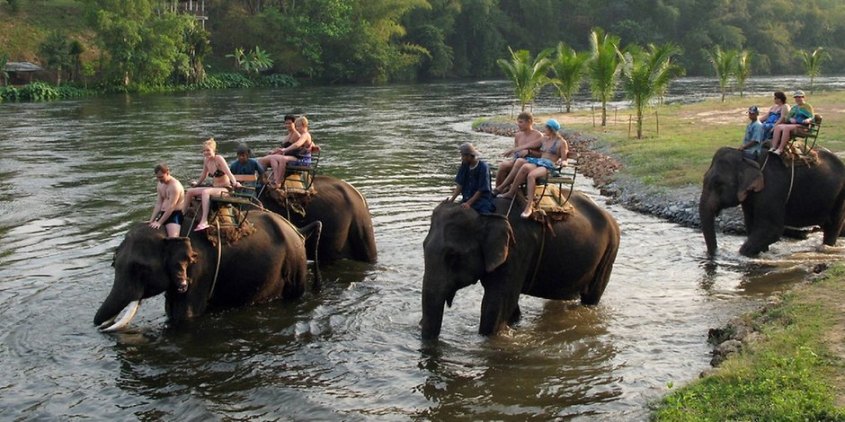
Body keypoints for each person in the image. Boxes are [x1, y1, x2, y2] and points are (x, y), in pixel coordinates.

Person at [496, 119, 569, 218]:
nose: (544, 130)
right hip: (539, 162)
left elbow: (564, 159)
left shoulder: (561, 142)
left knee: (531, 175)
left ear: (551, 129)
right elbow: (527, 146)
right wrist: (513, 150)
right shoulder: (544, 139)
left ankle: (529, 206)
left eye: (546, 128)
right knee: (522, 163)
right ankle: (510, 191)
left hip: (548, 165)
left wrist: (563, 163)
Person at [183, 138, 242, 231]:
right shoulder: (206, 160)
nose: (206, 152)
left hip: (225, 189)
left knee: (206, 192)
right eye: (204, 150)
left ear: (214, 150)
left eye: (208, 150)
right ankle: (181, 214)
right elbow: (204, 175)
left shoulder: (218, 158)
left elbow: (229, 172)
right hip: (214, 188)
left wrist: (235, 182)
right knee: (190, 191)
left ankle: (204, 220)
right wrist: (197, 184)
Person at [494, 111, 543, 191]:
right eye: (518, 122)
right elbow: (516, 152)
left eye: (521, 122)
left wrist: (529, 152)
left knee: (519, 161)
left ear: (529, 122)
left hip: (531, 163)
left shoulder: (538, 135)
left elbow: (542, 155)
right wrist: (512, 157)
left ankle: (503, 188)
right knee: (503, 165)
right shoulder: (518, 135)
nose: (518, 124)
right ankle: (497, 190)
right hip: (517, 161)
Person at [261, 116, 314, 188]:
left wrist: (285, 150)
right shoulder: (302, 135)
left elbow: (297, 144)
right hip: (298, 157)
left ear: (304, 125)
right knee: (273, 159)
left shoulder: (305, 135)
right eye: (296, 126)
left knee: (282, 159)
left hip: (303, 160)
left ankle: (278, 181)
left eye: (298, 126)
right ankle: (275, 179)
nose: (297, 128)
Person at [447, 142, 495, 213]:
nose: (462, 158)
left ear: (470, 156)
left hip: (481, 200)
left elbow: (481, 190)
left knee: (484, 215)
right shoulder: (464, 166)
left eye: (463, 156)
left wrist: (469, 203)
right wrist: (451, 200)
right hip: (467, 198)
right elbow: (460, 185)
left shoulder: (483, 167)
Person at [770, 90, 815, 155]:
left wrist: (808, 120)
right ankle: (773, 147)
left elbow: (811, 117)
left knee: (786, 128)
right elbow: (788, 117)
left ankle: (780, 148)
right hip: (794, 124)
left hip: (803, 125)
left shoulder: (807, 106)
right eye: (796, 97)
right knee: (778, 127)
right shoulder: (794, 107)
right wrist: (790, 119)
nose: (798, 99)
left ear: (803, 97)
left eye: (799, 97)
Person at [148, 163, 185, 238]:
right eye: (157, 177)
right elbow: (159, 203)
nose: (159, 179)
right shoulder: (160, 184)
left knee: (173, 238)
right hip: (163, 213)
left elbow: (171, 207)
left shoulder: (175, 186)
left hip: (174, 215)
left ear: (167, 173)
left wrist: (159, 223)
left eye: (161, 177)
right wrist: (152, 219)